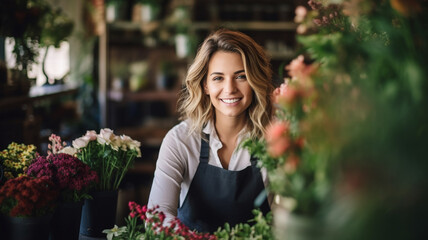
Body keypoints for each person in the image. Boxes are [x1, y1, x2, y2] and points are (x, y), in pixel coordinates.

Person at [147, 29, 275, 233]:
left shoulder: (275, 139)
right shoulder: (181, 140)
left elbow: (289, 215)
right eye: (218, 78)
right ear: (205, 85)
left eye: (241, 76)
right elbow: (157, 217)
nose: (230, 88)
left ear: (254, 80)